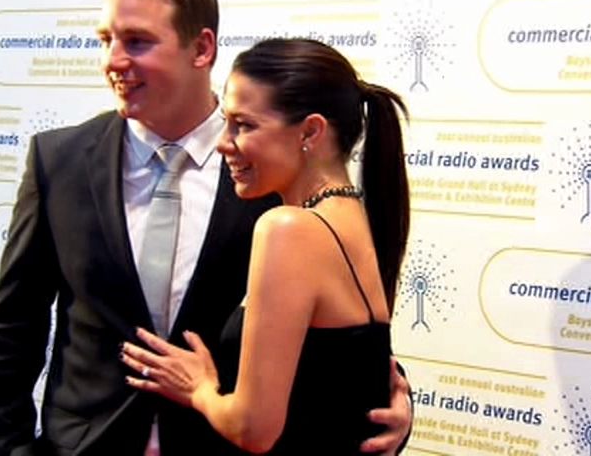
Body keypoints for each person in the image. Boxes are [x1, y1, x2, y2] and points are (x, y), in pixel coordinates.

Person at [0, 0, 413, 456]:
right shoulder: (60, 161)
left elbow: (333, 329)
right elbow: (13, 325)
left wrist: (388, 407)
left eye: (137, 41)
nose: (113, 60)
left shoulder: (273, 173)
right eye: (105, 39)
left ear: (201, 48)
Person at [120, 37, 409, 454]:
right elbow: (341, 370)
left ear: (310, 132)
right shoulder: (353, 218)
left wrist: (199, 388)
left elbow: (253, 429)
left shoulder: (287, 228)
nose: (223, 143)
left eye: (244, 125)